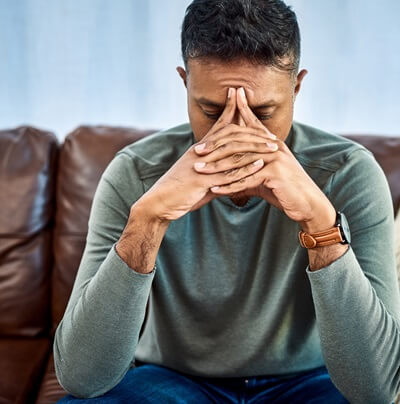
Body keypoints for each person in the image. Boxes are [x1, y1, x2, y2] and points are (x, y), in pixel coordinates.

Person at [54, 0, 400, 403]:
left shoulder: (348, 172)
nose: (236, 131)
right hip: (173, 380)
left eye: (264, 111)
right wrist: (146, 222)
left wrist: (320, 222)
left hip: (311, 381)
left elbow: (376, 389)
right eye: (212, 110)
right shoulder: (136, 173)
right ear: (184, 83)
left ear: (297, 87)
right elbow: (81, 377)